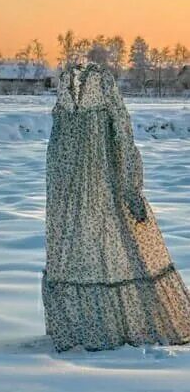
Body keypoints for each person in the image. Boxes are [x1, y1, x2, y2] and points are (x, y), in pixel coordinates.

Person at [42, 46, 190, 351]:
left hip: (103, 183)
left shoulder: (105, 88)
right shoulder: (64, 90)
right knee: (79, 252)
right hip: (66, 192)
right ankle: (81, 328)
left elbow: (123, 138)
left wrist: (131, 186)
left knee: (117, 250)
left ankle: (123, 325)